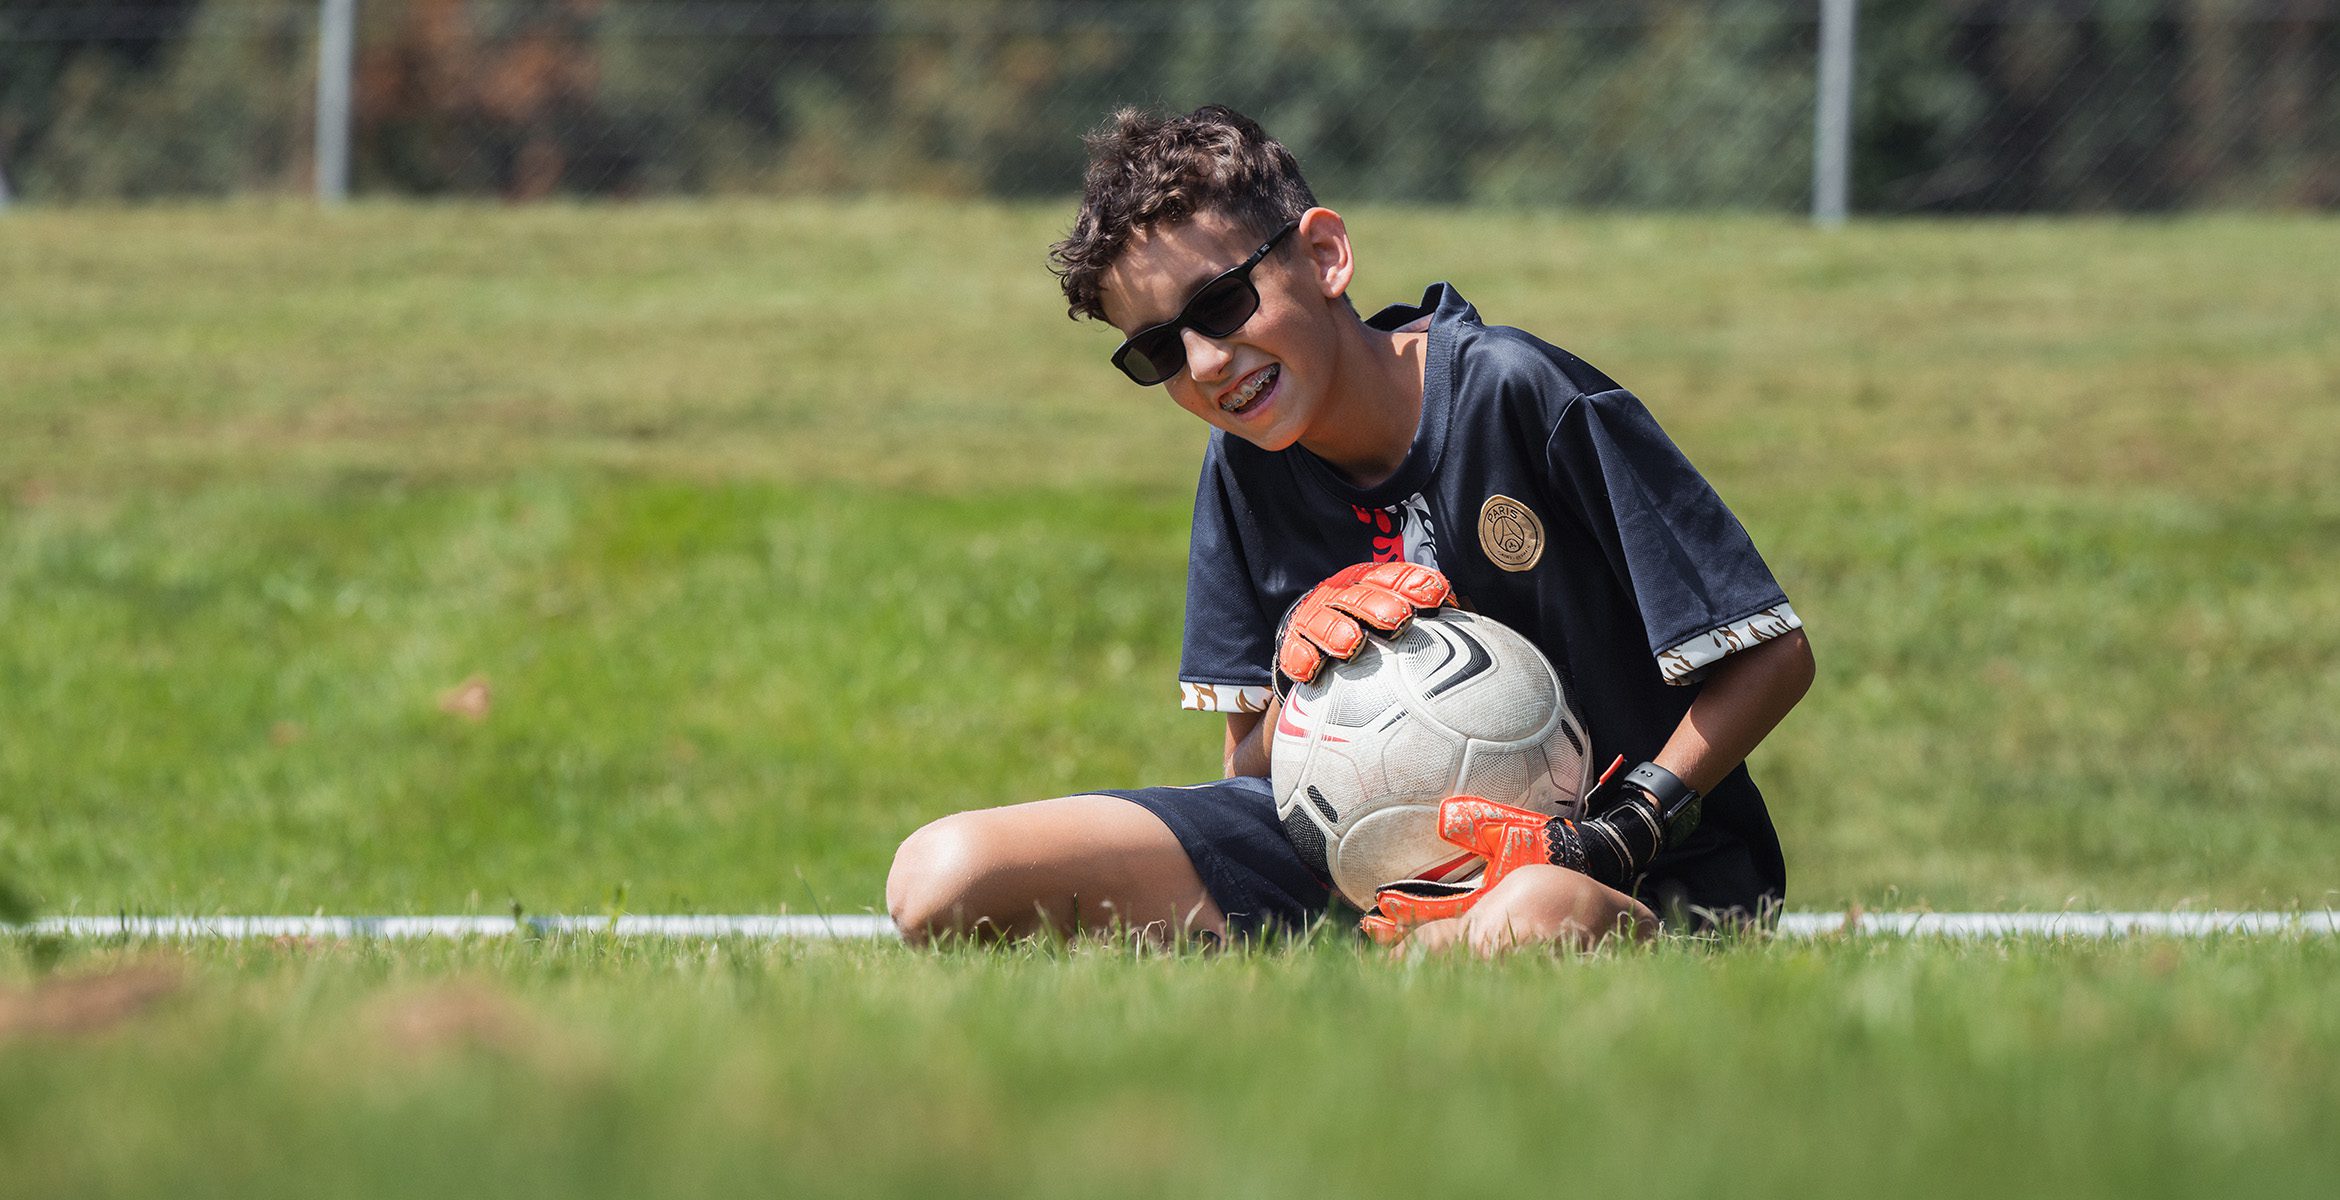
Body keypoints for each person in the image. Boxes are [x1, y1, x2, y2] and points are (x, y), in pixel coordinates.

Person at [885, 105, 1814, 955]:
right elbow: (1251, 763)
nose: (1207, 363)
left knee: (1527, 918)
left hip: (1633, 868)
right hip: (1351, 872)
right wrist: (1303, 663)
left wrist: (1630, 824)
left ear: (1325, 255)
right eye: (1159, 350)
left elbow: (1773, 656)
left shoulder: (1518, 393)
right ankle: (1382, 946)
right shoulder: (1242, 464)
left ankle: (1422, 955)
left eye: (1220, 304)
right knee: (944, 876)